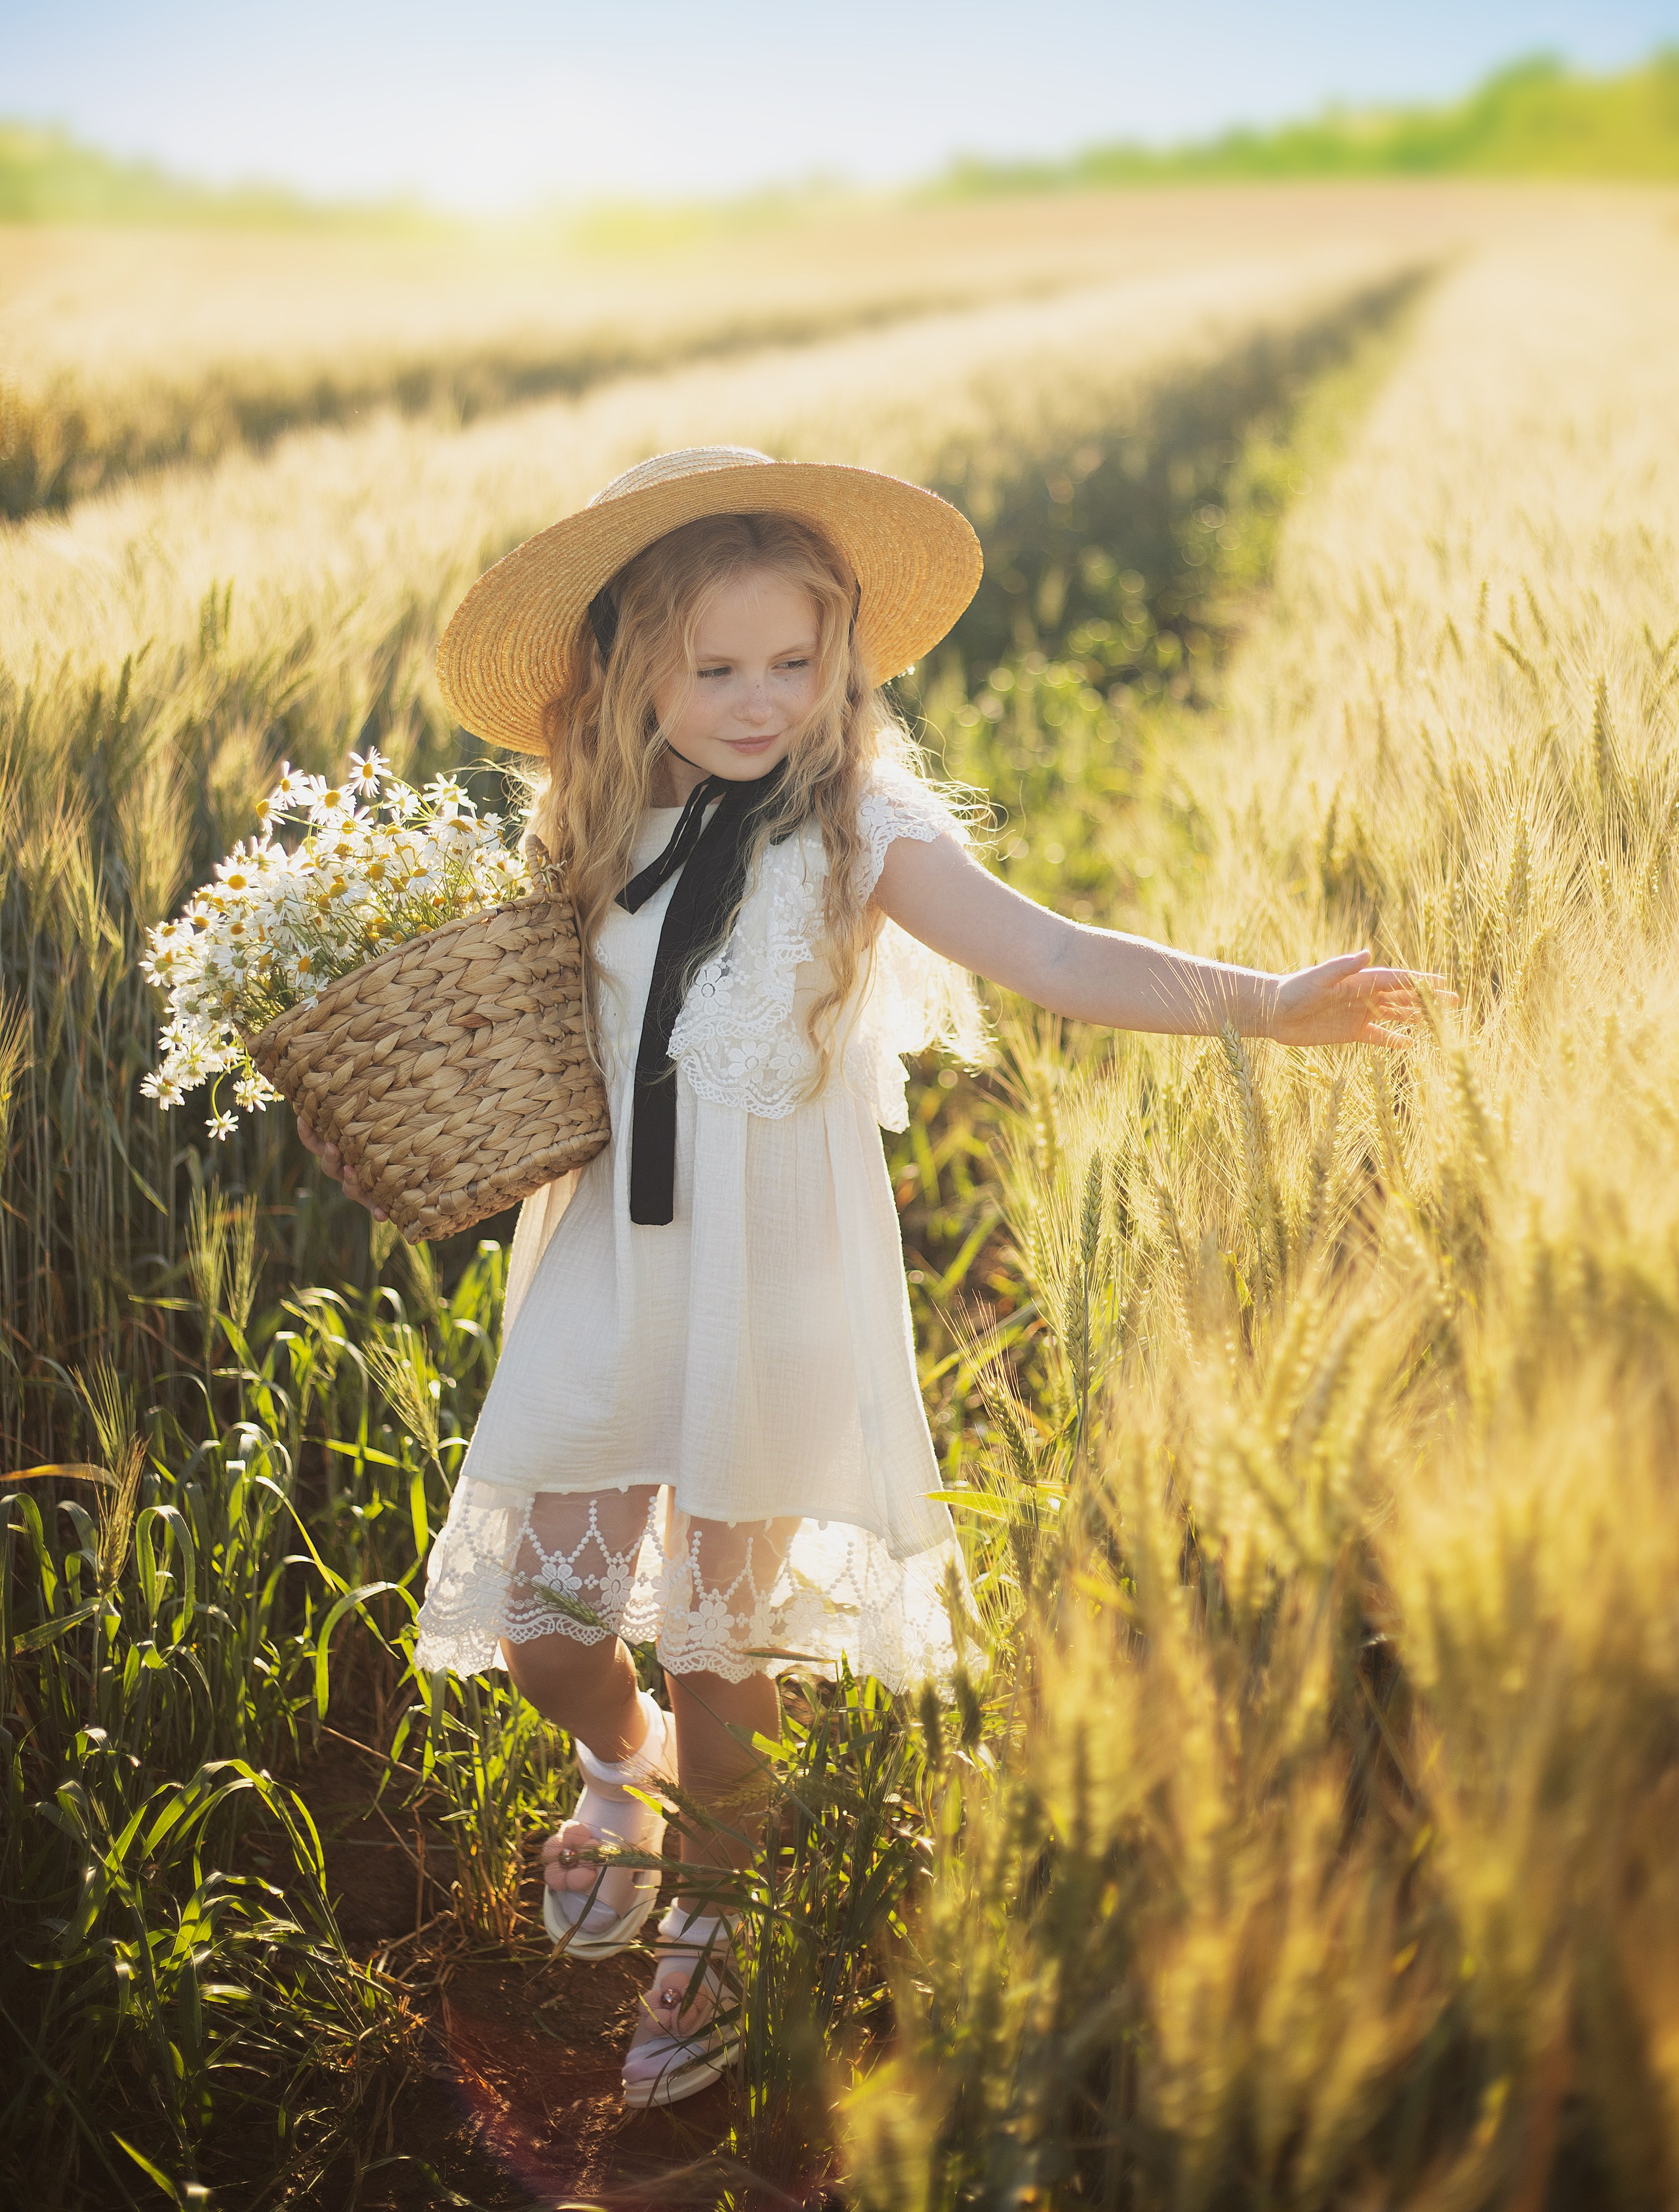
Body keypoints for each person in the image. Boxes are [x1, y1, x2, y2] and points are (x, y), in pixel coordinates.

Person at [302, 445, 1426, 2107]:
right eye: (716, 668)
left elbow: (1049, 952)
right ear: (625, 671)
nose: (760, 702)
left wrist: (1265, 1001)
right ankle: (622, 1767)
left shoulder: (859, 829)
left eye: (793, 663)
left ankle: (715, 1903)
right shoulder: (594, 825)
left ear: (842, 664)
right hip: (614, 1265)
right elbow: (507, 1018)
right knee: (551, 1618)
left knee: (721, 1644)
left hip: (774, 1285)